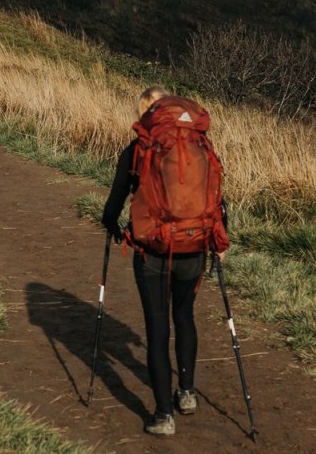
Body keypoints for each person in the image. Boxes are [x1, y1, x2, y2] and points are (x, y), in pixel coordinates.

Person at [101, 86, 227, 437]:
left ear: (146, 114)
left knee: (158, 329)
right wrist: (219, 241)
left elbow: (114, 204)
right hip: (194, 247)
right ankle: (186, 393)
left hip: (153, 253)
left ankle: (162, 416)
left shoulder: (137, 149)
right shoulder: (201, 145)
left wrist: (112, 226)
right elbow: (217, 199)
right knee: (185, 317)